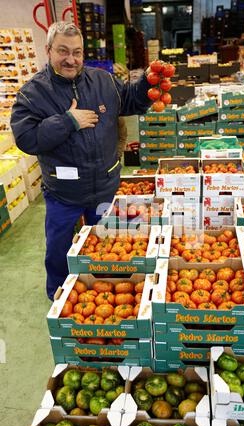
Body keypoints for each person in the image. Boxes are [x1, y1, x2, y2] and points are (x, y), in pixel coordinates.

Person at [10, 21, 152, 301]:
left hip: (104, 186)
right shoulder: (32, 93)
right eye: (63, 51)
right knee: (59, 249)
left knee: (106, 247)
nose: (70, 59)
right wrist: (67, 121)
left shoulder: (104, 81)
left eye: (77, 52)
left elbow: (131, 101)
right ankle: (60, 298)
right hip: (64, 193)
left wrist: (147, 83)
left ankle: (107, 296)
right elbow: (26, 138)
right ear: (49, 50)